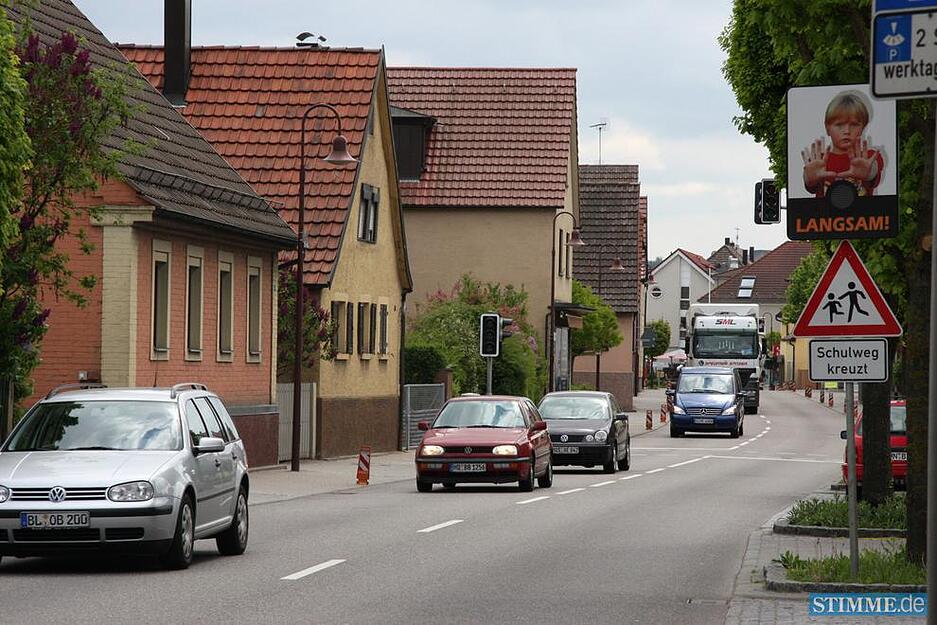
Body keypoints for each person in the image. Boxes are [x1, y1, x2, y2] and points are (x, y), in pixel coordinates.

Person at [801, 90, 885, 198]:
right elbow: (809, 182)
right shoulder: (819, 161)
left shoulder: (869, 157)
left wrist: (869, 173)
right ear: (827, 128)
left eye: (854, 124)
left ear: (862, 128)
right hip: (824, 214)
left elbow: (873, 170)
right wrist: (808, 178)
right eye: (839, 125)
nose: (847, 130)